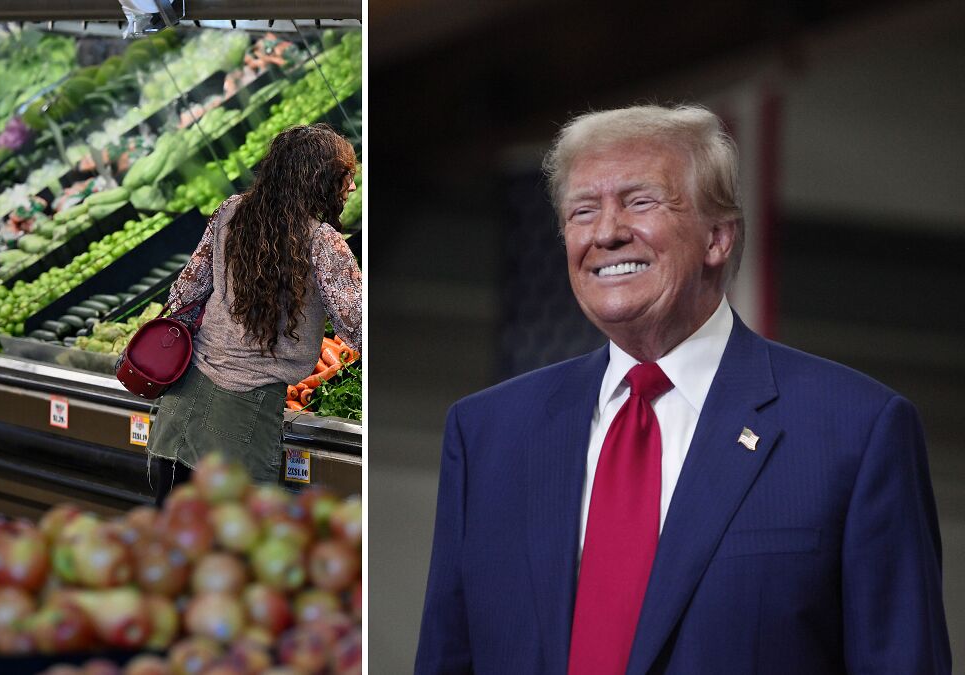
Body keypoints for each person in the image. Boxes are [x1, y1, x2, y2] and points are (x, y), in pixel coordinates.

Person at [415, 105, 950, 674]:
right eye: (582, 211)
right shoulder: (486, 435)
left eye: (640, 201)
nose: (606, 232)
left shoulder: (857, 431)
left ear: (718, 237)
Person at [147, 123, 361, 490]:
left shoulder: (231, 212)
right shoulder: (322, 241)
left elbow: (185, 293)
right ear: (319, 179)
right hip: (241, 422)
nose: (352, 188)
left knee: (176, 536)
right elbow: (359, 324)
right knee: (233, 541)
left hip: (178, 408)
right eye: (347, 178)